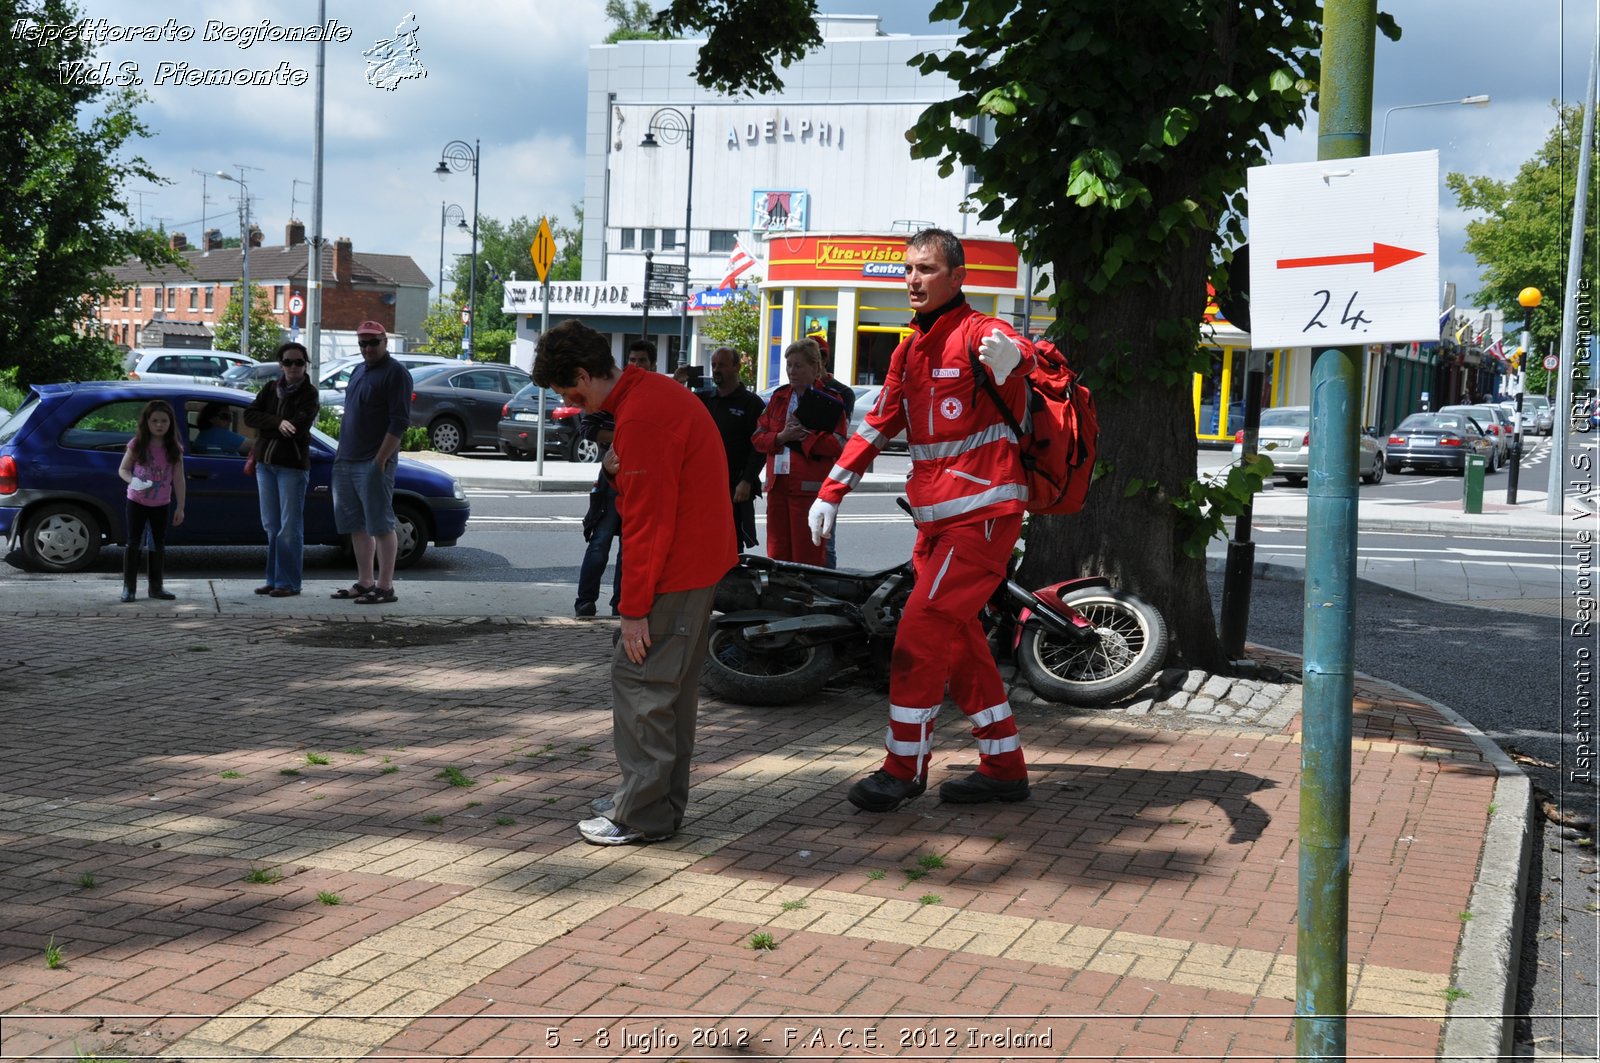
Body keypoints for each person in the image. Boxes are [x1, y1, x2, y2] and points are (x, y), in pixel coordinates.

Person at [808, 227, 1036, 811]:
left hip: (982, 517)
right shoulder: (909, 348)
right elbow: (880, 419)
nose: (913, 278)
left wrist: (1016, 360)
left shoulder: (981, 331)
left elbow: (1021, 352)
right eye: (909, 268)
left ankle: (903, 767)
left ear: (957, 277)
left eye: (927, 269)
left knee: (918, 635)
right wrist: (832, 489)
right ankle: (1004, 766)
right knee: (958, 643)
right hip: (937, 524)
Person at [533, 320, 735, 846]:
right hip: (695, 567)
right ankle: (653, 802)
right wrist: (619, 469)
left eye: (568, 391)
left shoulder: (641, 418)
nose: (573, 404)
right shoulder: (650, 395)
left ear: (583, 373)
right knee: (670, 693)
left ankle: (642, 813)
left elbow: (647, 524)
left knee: (641, 684)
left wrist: (632, 608)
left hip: (673, 572)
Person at [330, 321, 412, 605]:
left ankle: (385, 586)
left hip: (373, 461)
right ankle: (365, 582)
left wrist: (381, 459)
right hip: (346, 459)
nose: (367, 348)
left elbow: (400, 421)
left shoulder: (396, 373)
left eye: (372, 343)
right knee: (357, 525)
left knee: (380, 524)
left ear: (384, 340)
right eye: (362, 344)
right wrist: (340, 455)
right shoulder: (358, 370)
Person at [752, 338, 848, 566]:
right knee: (777, 555)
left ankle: (808, 601)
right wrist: (781, 437)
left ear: (815, 368)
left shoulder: (832, 401)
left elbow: (838, 444)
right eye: (789, 365)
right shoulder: (778, 397)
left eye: (798, 365)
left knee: (808, 557)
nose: (791, 371)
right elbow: (757, 437)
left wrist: (805, 438)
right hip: (777, 488)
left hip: (809, 491)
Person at [243, 341, 321, 598]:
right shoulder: (270, 389)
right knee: (271, 525)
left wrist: (276, 426)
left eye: (299, 362)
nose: (294, 367)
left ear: (305, 365)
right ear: (281, 364)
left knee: (290, 527)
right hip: (266, 465)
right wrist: (278, 422)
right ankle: (273, 579)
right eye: (288, 362)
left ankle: (288, 583)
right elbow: (250, 416)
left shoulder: (309, 394)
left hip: (292, 467)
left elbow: (298, 428)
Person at [117, 399, 185, 602]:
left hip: (161, 504)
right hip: (137, 501)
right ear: (146, 422)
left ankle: (156, 587)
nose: (159, 425)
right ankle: (129, 588)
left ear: (170, 423)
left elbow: (179, 478)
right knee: (134, 542)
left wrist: (180, 506)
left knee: (157, 544)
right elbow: (123, 469)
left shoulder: (174, 448)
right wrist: (133, 481)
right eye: (155, 420)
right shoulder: (137, 444)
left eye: (164, 421)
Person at [699, 346, 766, 550]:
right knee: (704, 543)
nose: (716, 370)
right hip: (706, 486)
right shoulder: (704, 400)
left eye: (722, 365)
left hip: (735, 486)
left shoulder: (751, 403)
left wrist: (747, 481)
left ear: (737, 367)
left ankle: (731, 581)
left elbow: (759, 447)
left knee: (731, 546)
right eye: (714, 365)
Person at [574, 411, 621, 618]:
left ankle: (620, 604)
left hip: (639, 478)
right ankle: (586, 601)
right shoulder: (609, 398)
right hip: (612, 476)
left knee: (629, 548)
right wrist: (626, 434)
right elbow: (587, 428)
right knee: (600, 542)